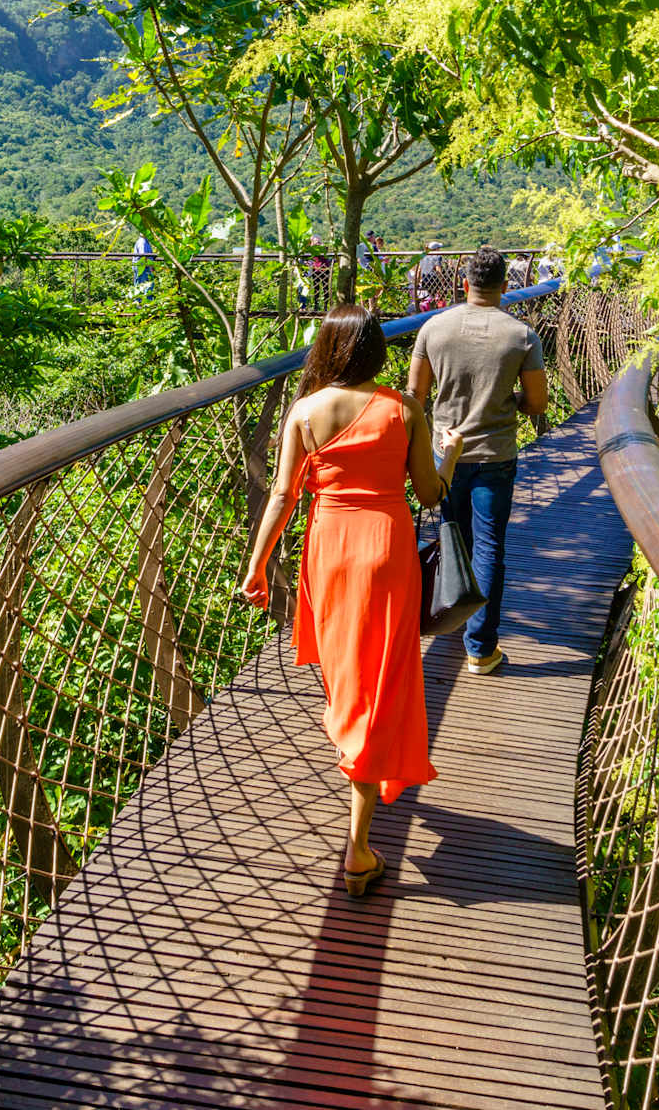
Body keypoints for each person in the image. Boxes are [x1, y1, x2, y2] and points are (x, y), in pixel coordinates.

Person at [241, 303, 462, 897]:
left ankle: (356, 755)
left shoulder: (304, 411)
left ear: (327, 349)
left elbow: (284, 495)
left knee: (347, 674)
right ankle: (359, 850)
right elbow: (430, 491)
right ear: (374, 351)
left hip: (329, 547)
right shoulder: (403, 409)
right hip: (386, 547)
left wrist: (257, 565)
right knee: (379, 681)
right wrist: (453, 453)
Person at [407, 244, 548, 676]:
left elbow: (415, 397)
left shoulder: (434, 328)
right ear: (506, 287)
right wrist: (511, 400)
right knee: (489, 549)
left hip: (445, 454)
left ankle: (452, 615)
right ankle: (481, 649)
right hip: (496, 455)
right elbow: (539, 404)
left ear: (464, 285)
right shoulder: (521, 336)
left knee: (456, 540)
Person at [408, 239, 448, 313]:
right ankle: (435, 310)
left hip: (425, 281)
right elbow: (438, 269)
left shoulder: (423, 257)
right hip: (435, 281)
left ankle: (429, 309)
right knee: (439, 296)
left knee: (429, 298)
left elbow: (419, 270)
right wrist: (443, 282)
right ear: (436, 249)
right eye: (439, 248)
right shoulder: (437, 257)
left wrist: (417, 281)